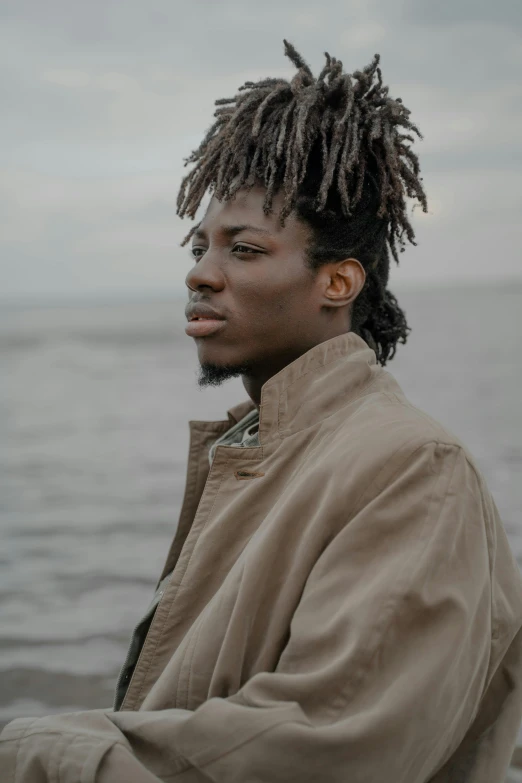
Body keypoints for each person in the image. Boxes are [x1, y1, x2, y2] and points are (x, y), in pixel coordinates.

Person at [1, 39, 522, 783]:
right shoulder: (267, 445)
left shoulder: (411, 470)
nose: (200, 272)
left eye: (243, 250)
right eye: (200, 245)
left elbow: (328, 745)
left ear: (338, 280)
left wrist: (32, 750)